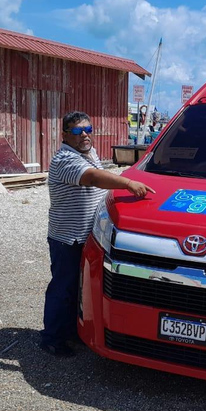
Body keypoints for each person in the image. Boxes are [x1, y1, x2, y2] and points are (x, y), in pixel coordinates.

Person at [41, 111, 155, 357]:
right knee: (64, 287)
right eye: (76, 131)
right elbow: (92, 178)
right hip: (67, 238)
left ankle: (72, 331)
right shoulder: (65, 159)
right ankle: (51, 337)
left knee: (81, 288)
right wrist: (127, 184)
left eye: (88, 130)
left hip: (86, 237)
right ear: (64, 135)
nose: (84, 135)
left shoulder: (88, 153)